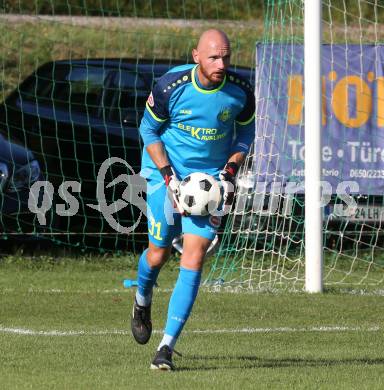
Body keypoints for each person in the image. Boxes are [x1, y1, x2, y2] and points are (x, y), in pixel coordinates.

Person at [131, 29, 255, 370]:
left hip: (209, 184)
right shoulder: (171, 86)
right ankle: (142, 298)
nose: (222, 63)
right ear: (196, 55)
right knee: (157, 254)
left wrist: (229, 172)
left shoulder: (241, 91)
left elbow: (245, 134)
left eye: (226, 57)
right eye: (214, 57)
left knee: (195, 255)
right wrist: (170, 177)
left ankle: (166, 349)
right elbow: (148, 131)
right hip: (164, 174)